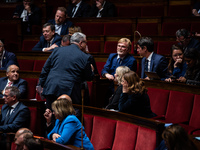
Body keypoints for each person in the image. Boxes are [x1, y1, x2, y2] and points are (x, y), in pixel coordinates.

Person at [38, 32, 94, 110]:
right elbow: (89, 77)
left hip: (51, 88)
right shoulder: (84, 57)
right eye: (85, 43)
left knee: (50, 115)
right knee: (66, 118)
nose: (86, 45)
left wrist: (41, 84)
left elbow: (46, 68)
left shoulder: (57, 50)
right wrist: (92, 70)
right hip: (69, 92)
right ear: (81, 43)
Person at [102, 38, 137, 103]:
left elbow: (128, 77)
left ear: (128, 49)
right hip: (109, 85)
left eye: (123, 47)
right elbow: (104, 69)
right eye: (119, 46)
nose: (120, 48)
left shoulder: (131, 60)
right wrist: (107, 74)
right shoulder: (112, 56)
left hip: (122, 88)